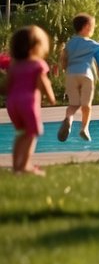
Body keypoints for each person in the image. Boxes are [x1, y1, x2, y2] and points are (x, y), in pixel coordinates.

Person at [6, 26, 56, 175]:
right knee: (32, 133)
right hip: (28, 102)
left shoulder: (14, 65)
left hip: (12, 103)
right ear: (36, 47)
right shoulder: (38, 64)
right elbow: (43, 82)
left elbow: (6, 85)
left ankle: (16, 167)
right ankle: (25, 165)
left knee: (21, 133)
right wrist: (51, 97)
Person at [58, 13, 99, 143]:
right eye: (93, 26)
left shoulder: (70, 43)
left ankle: (69, 119)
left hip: (71, 74)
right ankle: (84, 128)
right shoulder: (92, 44)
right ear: (87, 27)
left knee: (73, 104)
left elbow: (64, 60)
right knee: (86, 105)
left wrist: (66, 69)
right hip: (86, 75)